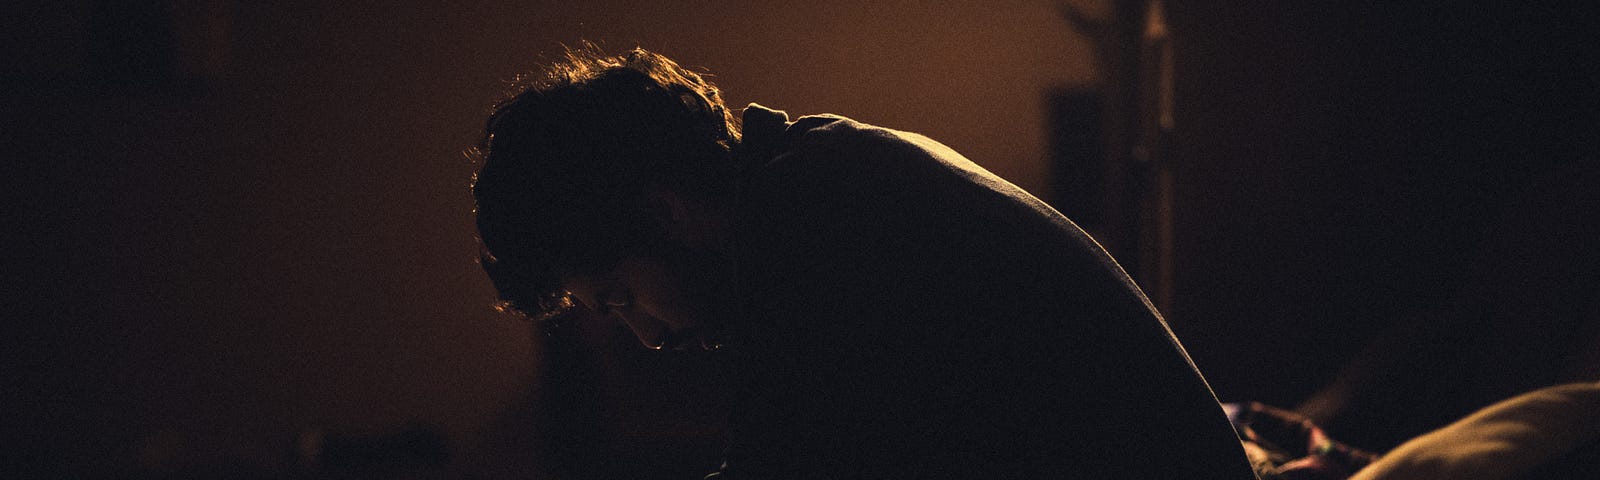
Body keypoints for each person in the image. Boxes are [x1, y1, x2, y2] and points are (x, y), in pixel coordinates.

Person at [472, 45, 1258, 479]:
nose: (645, 335)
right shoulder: (810, 175)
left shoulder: (813, 222)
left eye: (620, 300)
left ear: (668, 215)